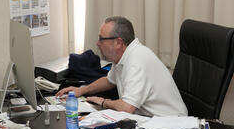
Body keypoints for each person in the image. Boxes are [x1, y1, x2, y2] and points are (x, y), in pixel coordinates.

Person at [56, 16, 187, 117]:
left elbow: (126, 107)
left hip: (170, 125)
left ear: (118, 42)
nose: (97, 43)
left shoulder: (136, 61)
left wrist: (103, 102)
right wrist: (81, 90)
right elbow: (109, 81)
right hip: (151, 119)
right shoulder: (124, 55)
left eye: (102, 39)